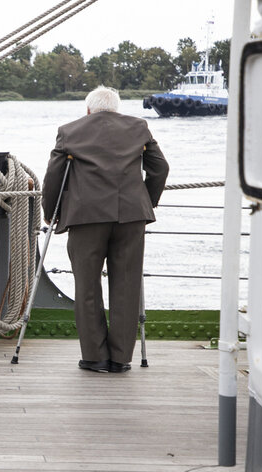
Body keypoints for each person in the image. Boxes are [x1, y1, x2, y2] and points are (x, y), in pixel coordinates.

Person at [41, 86, 169, 373]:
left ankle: (95, 357)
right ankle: (121, 358)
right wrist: (147, 202)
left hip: (86, 218)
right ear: (117, 108)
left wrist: (51, 213)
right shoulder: (139, 127)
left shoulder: (69, 131)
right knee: (127, 286)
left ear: (88, 109)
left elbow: (53, 178)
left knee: (87, 287)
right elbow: (160, 168)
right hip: (131, 218)